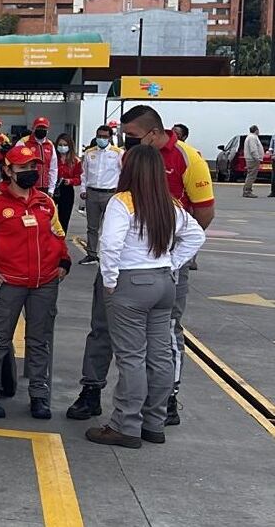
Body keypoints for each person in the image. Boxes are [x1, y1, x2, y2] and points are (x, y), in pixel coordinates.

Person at [67, 105, 213, 426]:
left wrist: (169, 258)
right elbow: (192, 228)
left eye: (131, 136)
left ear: (152, 132)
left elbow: (204, 214)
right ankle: (114, 399)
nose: (125, 142)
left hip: (143, 268)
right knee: (107, 330)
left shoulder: (189, 159)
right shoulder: (131, 161)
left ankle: (143, 413)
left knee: (151, 344)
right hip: (159, 270)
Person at [85, 145, 206, 449]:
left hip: (131, 283)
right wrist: (172, 262)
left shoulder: (122, 202)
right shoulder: (170, 204)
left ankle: (125, 424)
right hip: (164, 283)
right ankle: (154, 422)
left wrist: (110, 280)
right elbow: (196, 235)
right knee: (160, 355)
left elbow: (110, 244)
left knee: (131, 357)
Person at [0, 144, 71, 419]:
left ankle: (39, 396)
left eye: (32, 167)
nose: (29, 172)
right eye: (23, 168)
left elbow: (58, 234)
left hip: (45, 283)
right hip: (9, 283)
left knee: (40, 342)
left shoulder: (46, 202)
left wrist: (64, 261)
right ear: (8, 170)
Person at [77, 124, 122, 265]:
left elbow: (123, 173)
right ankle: (91, 254)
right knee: (92, 227)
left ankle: (108, 255)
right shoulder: (89, 153)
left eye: (104, 137)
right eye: (99, 136)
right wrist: (83, 190)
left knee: (110, 227)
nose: (101, 139)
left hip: (110, 194)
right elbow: (84, 174)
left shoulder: (118, 153)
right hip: (92, 193)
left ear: (109, 138)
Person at [15, 117, 59, 196]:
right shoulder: (24, 142)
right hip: (28, 186)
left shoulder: (50, 145)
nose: (41, 129)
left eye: (44, 128)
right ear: (33, 128)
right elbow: (16, 163)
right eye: (39, 127)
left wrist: (51, 188)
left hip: (45, 187)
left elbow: (53, 168)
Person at [53, 134, 81, 234]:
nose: (62, 147)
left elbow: (79, 179)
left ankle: (61, 240)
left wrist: (70, 181)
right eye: (60, 144)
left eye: (65, 144)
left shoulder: (75, 161)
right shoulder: (53, 158)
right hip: (53, 188)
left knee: (64, 218)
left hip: (66, 189)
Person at [241, 125, 264, 198]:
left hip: (251, 159)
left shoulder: (251, 137)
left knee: (250, 175)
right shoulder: (252, 138)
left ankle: (247, 190)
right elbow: (253, 149)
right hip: (253, 159)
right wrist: (257, 158)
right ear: (256, 130)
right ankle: (247, 191)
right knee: (251, 176)